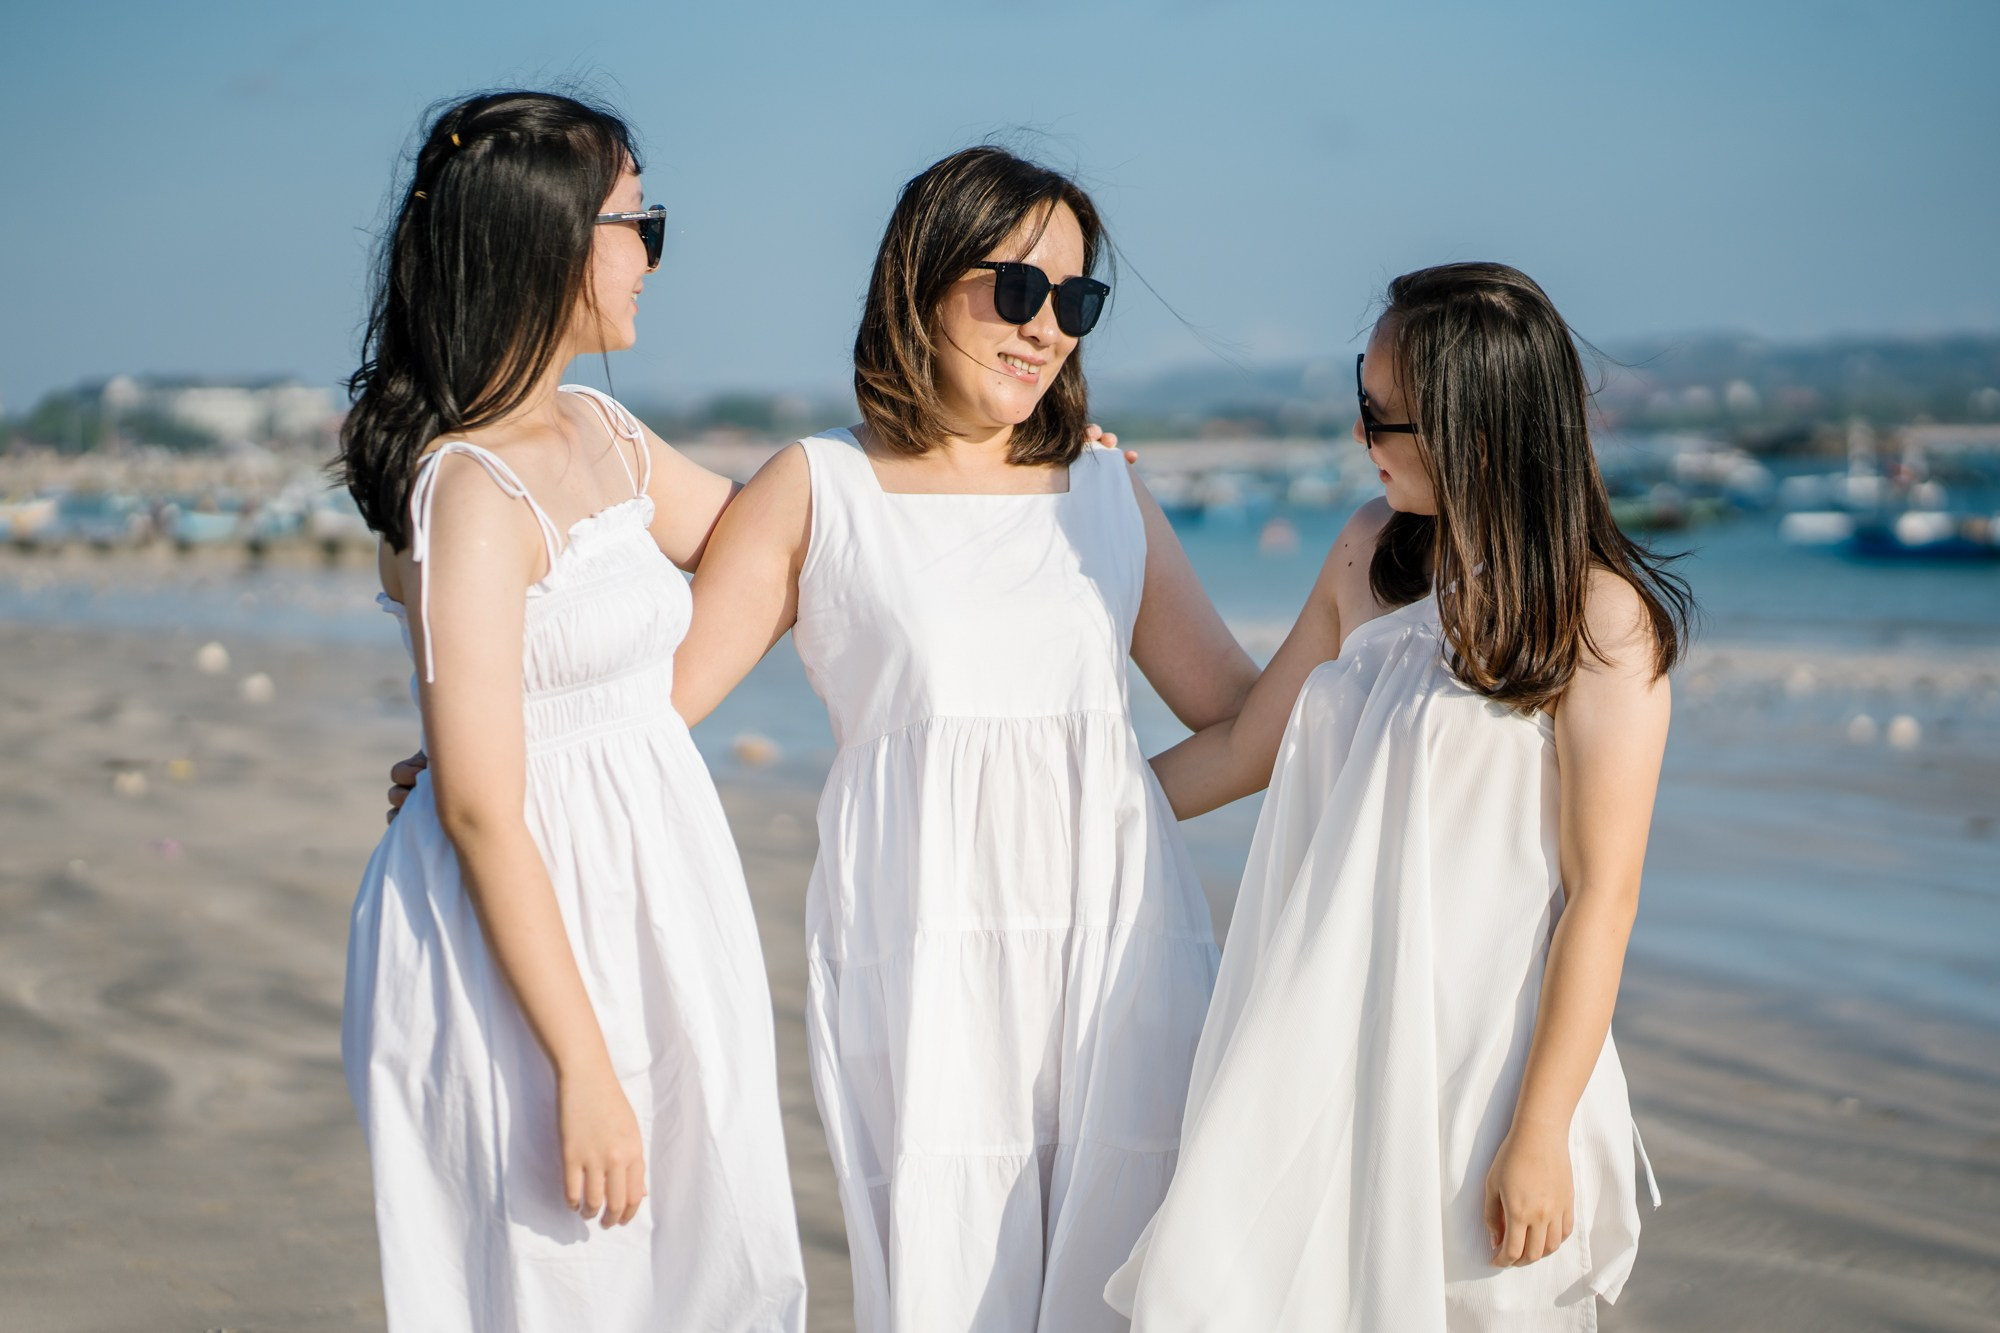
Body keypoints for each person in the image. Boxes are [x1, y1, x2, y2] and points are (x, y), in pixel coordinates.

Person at [665, 146, 1253, 1332]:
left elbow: (1247, 718)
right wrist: (484, 753)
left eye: (1074, 302)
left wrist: (1109, 811)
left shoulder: (1103, 492)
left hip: (1116, 957)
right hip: (923, 962)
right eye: (1017, 289)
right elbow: (653, 711)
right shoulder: (816, 487)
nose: (1045, 329)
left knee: (1127, 1281)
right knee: (950, 1282)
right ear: (921, 278)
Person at [1107, 263, 1689, 1330]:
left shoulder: (1600, 623)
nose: (1362, 435)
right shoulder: (1368, 553)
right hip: (1318, 1026)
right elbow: (1244, 745)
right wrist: (1073, 824)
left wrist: (1540, 1129)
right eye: (1358, 401)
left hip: (1484, 1059)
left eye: (1383, 416)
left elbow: (1600, 897)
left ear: (1474, 425)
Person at [338, 90, 805, 1331]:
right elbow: (489, 811)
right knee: (562, 1277)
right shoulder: (470, 489)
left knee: (708, 1250)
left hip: (650, 879)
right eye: (633, 219)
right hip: (529, 926)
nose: (651, 251)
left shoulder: (598, 429)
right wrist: (583, 1066)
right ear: (547, 239)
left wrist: (1008, 466)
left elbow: (784, 542)